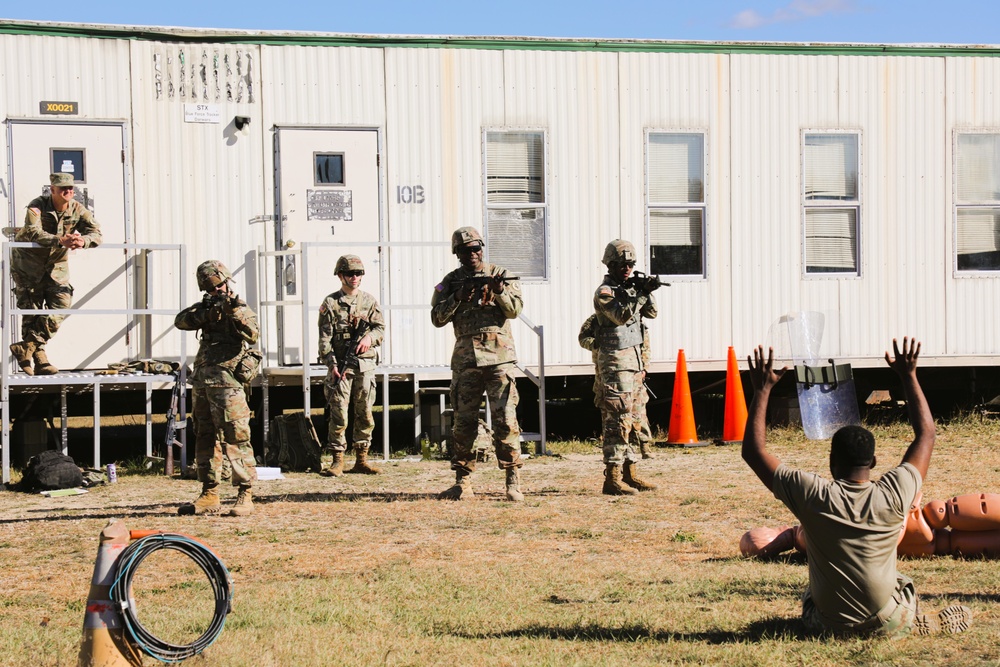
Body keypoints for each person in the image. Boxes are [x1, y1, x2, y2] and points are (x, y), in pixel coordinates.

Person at [742, 339, 973, 637]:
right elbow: (926, 435)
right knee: (899, 581)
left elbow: (753, 452)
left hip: (825, 626)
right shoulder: (894, 491)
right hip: (885, 621)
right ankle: (909, 621)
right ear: (874, 461)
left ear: (831, 461)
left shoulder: (813, 494)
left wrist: (762, 391)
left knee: (811, 593)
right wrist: (909, 375)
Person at [430, 226, 525, 501]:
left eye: (475, 248)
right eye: (465, 250)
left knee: (506, 420)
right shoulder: (449, 282)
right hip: (466, 359)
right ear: (457, 253)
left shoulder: (501, 275)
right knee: (463, 422)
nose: (472, 254)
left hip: (498, 359)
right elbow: (436, 318)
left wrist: (498, 292)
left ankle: (512, 480)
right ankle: (463, 481)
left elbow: (515, 311)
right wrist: (456, 299)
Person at [175, 260, 260, 517]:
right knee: (204, 435)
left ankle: (245, 492)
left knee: (236, 435)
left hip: (228, 381)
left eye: (220, 285)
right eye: (212, 288)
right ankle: (209, 492)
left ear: (227, 282)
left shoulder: (240, 308)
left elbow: (252, 334)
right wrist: (208, 313)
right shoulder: (205, 308)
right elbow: (181, 321)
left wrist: (232, 312)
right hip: (203, 380)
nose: (218, 291)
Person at [9, 173, 102, 375]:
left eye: (70, 188)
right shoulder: (37, 206)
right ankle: (40, 360)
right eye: (62, 189)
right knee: (31, 312)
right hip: (28, 265)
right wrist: (61, 240)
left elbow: (96, 233)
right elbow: (34, 232)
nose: (68, 192)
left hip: (56, 267)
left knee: (61, 304)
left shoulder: (77, 209)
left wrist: (82, 241)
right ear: (52, 190)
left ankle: (27, 347)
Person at [591, 240, 658, 495]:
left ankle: (630, 474)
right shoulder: (605, 292)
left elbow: (651, 313)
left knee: (634, 420)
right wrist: (639, 295)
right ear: (611, 264)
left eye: (631, 264)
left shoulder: (630, 289)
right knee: (617, 420)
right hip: (615, 364)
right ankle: (613, 478)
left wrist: (646, 291)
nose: (627, 269)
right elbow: (621, 316)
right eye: (622, 264)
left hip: (633, 363)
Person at [317, 255, 385, 477]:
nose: (355, 278)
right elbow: (325, 339)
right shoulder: (331, 303)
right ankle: (337, 460)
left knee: (365, 411)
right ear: (340, 275)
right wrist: (332, 364)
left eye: (358, 274)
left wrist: (369, 339)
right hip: (341, 366)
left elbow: (380, 329)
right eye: (350, 274)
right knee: (339, 413)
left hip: (364, 365)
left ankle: (361, 459)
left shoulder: (369, 301)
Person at [579, 315, 654, 459]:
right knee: (610, 409)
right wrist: (597, 344)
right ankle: (614, 450)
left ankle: (643, 445)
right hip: (608, 371)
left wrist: (645, 367)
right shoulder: (597, 319)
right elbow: (583, 339)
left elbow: (645, 345)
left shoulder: (634, 319)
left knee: (638, 409)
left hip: (634, 371)